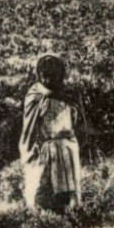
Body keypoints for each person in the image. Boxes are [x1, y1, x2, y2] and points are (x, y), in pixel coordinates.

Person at [20, 53, 84, 213]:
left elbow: (77, 119)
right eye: (45, 76)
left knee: (67, 188)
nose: (48, 80)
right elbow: (30, 123)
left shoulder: (68, 94)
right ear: (40, 75)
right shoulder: (35, 93)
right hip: (45, 145)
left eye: (52, 76)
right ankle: (42, 217)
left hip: (67, 144)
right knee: (42, 186)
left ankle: (68, 215)